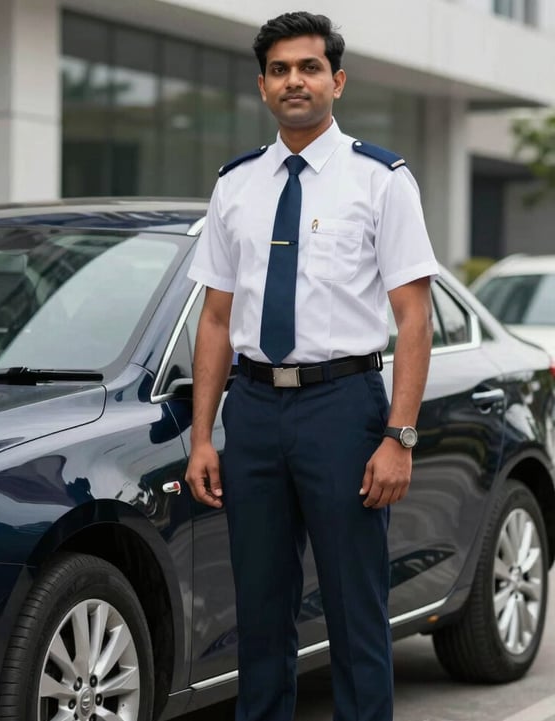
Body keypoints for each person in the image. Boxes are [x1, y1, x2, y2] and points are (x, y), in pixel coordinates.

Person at [184, 10, 439, 721]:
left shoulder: (381, 181)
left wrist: (399, 436)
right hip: (255, 412)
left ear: (337, 80)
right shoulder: (235, 185)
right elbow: (214, 319)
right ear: (263, 86)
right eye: (280, 70)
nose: (294, 80)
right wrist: (205, 435)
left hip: (344, 408)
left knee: (355, 610)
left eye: (309, 67)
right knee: (259, 612)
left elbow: (414, 318)